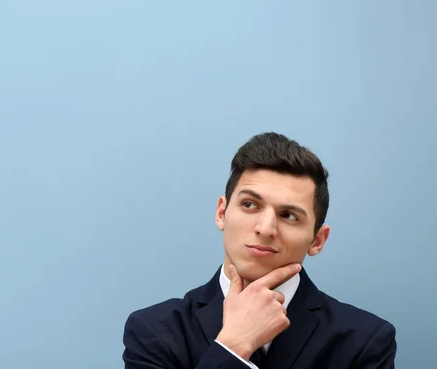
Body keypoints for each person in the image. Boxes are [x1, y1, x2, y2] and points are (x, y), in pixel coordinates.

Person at [122, 132, 396, 368]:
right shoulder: (153, 331)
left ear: (317, 241)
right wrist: (233, 346)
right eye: (250, 205)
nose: (266, 228)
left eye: (289, 215)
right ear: (222, 212)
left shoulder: (364, 340)